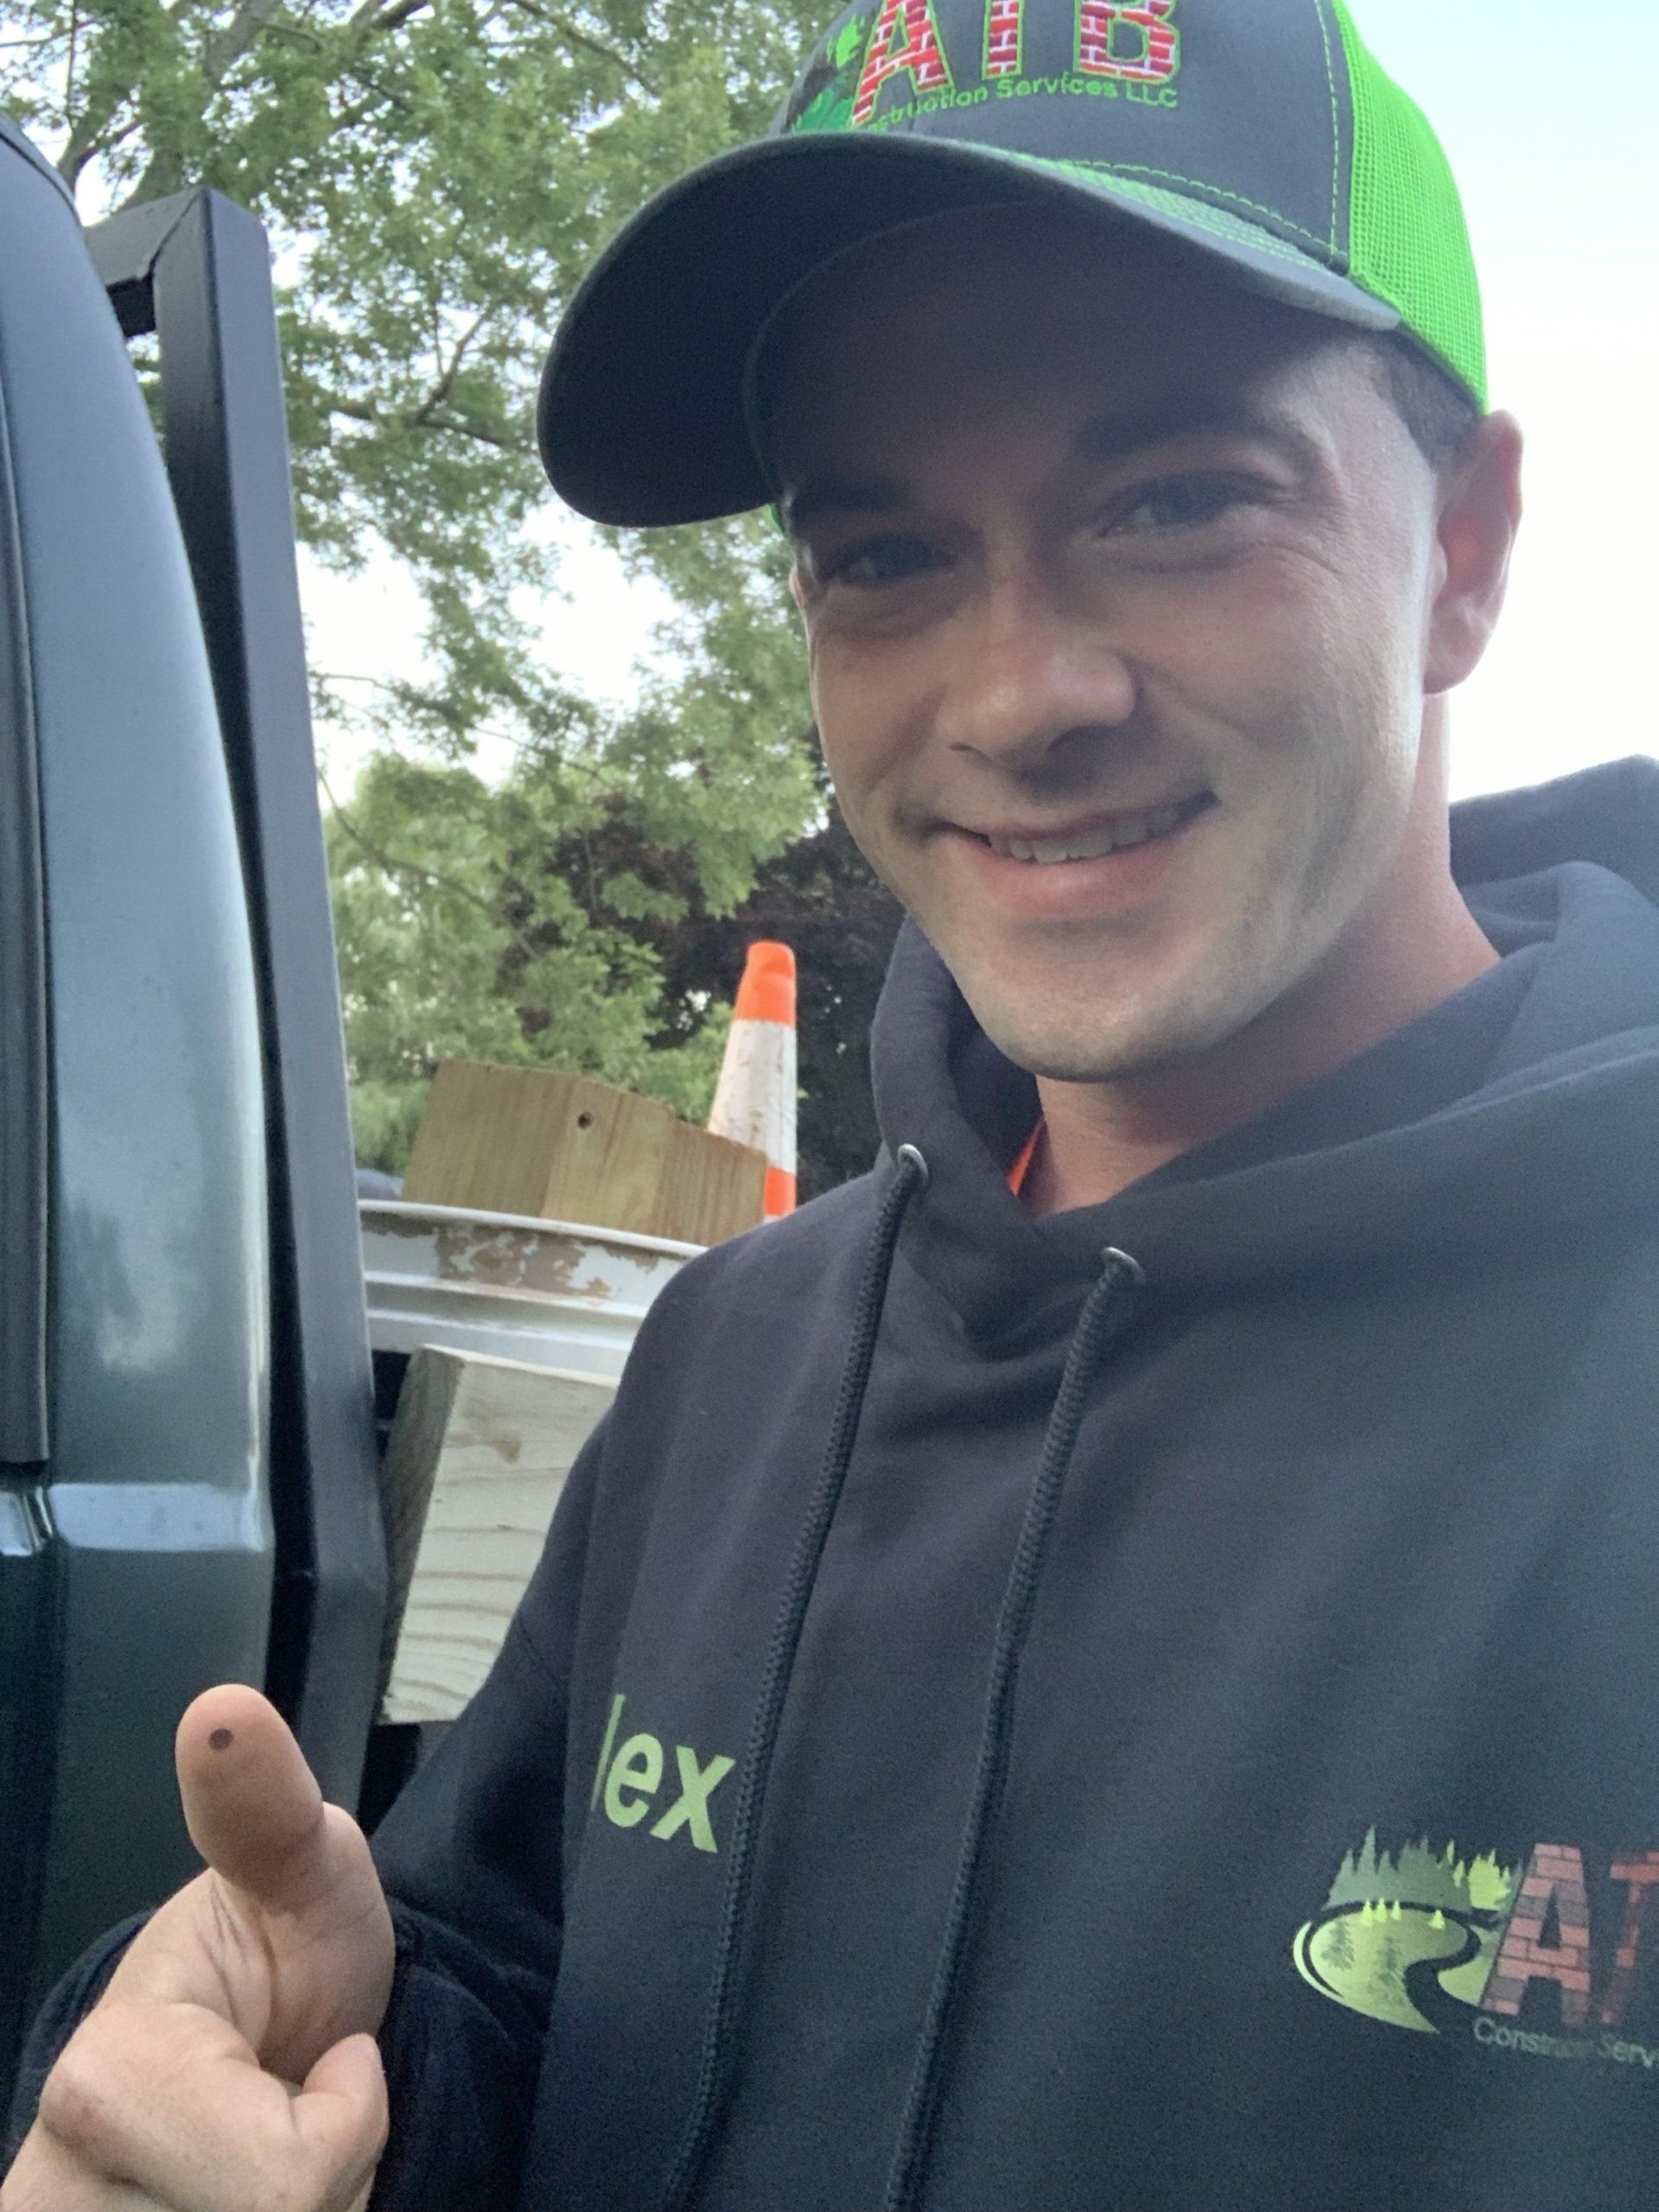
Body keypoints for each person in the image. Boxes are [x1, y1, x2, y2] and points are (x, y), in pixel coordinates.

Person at [11, 0, 1659, 2205]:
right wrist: (291, 2076)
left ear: (1461, 550)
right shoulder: (742, 1363)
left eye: (1176, 499)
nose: (1018, 695)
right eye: (880, 554)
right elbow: (514, 2009)